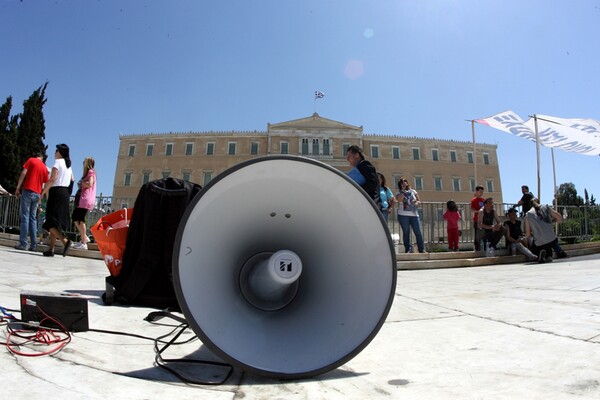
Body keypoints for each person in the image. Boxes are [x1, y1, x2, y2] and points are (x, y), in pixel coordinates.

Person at [40, 144, 75, 257]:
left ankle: (65, 242)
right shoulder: (68, 165)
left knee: (49, 222)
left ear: (59, 152)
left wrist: (43, 192)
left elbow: (53, 179)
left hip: (56, 192)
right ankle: (51, 249)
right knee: (55, 223)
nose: (54, 153)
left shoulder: (58, 162)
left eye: (56, 150)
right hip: (64, 193)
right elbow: (72, 180)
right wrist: (67, 193)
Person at [14, 151, 49, 251]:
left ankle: (23, 243)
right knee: (33, 218)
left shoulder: (31, 160)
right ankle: (34, 245)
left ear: (36, 156)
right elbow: (46, 184)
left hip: (28, 190)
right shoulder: (44, 167)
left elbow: (24, 172)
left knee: (25, 216)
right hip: (37, 194)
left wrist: (18, 187)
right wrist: (43, 196)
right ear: (42, 158)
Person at [525, 198, 568, 263]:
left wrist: (534, 232)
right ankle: (550, 256)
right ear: (539, 202)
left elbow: (528, 234)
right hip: (552, 240)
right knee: (549, 242)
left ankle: (540, 254)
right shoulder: (546, 207)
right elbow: (559, 218)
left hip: (539, 243)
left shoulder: (528, 214)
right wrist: (552, 221)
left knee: (536, 243)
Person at [72, 157, 96, 250]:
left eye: (84, 161)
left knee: (80, 219)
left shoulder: (91, 172)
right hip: (83, 198)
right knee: (76, 218)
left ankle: (84, 241)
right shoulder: (89, 173)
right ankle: (84, 238)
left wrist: (82, 182)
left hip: (85, 198)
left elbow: (90, 184)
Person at [396, 178, 425, 253]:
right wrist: (402, 190)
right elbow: (399, 200)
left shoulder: (413, 191)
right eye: (402, 183)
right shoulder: (398, 192)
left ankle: (421, 249)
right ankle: (408, 249)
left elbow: (419, 201)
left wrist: (416, 203)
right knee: (406, 232)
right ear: (400, 185)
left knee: (418, 231)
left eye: (405, 182)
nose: (404, 184)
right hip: (403, 215)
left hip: (414, 215)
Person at [470, 186, 485, 250]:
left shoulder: (483, 200)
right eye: (480, 192)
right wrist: (478, 211)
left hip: (483, 220)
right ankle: (476, 248)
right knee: (477, 234)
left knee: (484, 233)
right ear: (476, 191)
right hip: (476, 219)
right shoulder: (474, 200)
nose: (481, 193)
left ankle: (483, 246)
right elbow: (472, 209)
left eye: (482, 192)